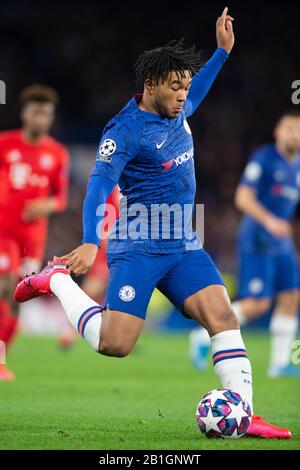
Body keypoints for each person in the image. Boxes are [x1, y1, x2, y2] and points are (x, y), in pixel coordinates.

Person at [15, 8, 291, 438]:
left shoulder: (178, 109)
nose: (184, 95)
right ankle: (55, 281)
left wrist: (221, 53)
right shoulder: (123, 131)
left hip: (181, 243)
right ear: (149, 87)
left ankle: (244, 414)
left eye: (185, 86)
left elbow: (198, 87)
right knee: (115, 344)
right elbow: (97, 186)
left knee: (223, 317)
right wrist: (90, 241)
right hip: (138, 244)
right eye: (175, 87)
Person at [189, 110, 300, 378]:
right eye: (288, 128)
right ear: (277, 132)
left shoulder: (297, 167)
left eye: (298, 129)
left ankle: (279, 363)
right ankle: (203, 336)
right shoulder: (264, 159)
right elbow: (243, 198)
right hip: (257, 238)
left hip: (282, 242)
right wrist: (270, 221)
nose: (293, 134)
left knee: (291, 297)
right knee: (258, 303)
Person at [0, 84, 69, 380]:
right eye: (36, 112)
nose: (41, 118)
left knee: (16, 296)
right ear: (25, 113)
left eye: (46, 113)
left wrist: (47, 205)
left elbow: (61, 197)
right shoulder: (5, 144)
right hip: (3, 232)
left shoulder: (57, 153)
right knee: (3, 284)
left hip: (32, 238)